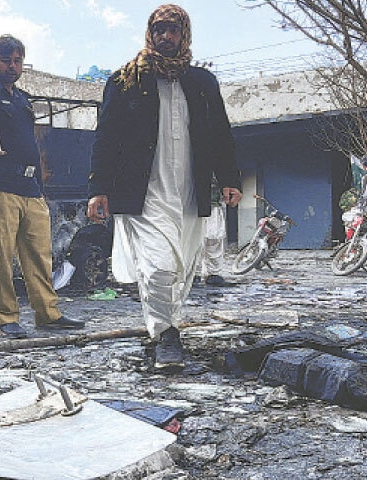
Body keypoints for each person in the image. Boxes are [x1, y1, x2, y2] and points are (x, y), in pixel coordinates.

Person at [86, 4, 242, 369]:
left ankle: (163, 325)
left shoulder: (202, 82)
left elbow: (221, 133)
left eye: (173, 30)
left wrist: (230, 178)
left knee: (182, 268)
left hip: (188, 189)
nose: (165, 36)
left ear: (184, 33)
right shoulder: (125, 80)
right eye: (159, 29)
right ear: (149, 33)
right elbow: (105, 137)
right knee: (158, 267)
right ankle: (166, 336)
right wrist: (99, 187)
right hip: (144, 190)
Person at [0, 34, 84, 339]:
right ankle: (6, 318)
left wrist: (39, 184)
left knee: (39, 255)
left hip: (28, 187)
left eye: (17, 60)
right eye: (5, 60)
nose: (12, 66)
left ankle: (48, 314)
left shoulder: (21, 99)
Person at [199, 181, 230, 287]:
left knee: (214, 241)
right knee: (194, 242)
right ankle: (194, 274)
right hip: (192, 206)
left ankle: (214, 274)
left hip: (213, 207)